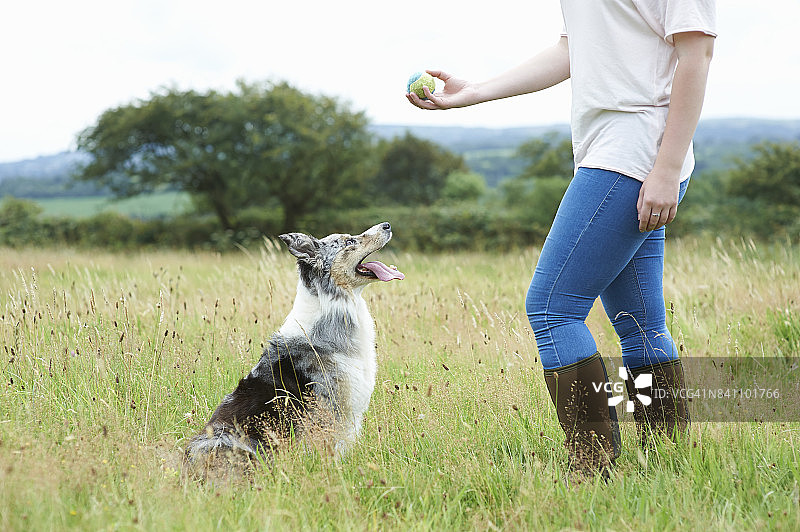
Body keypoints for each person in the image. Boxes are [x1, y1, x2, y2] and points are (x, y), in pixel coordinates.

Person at [408, 0, 716, 474]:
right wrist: (477, 92)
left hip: (636, 150)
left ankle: (592, 470)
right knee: (640, 322)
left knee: (552, 308)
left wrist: (667, 168)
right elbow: (574, 46)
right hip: (612, 146)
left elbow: (697, 55)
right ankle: (669, 461)